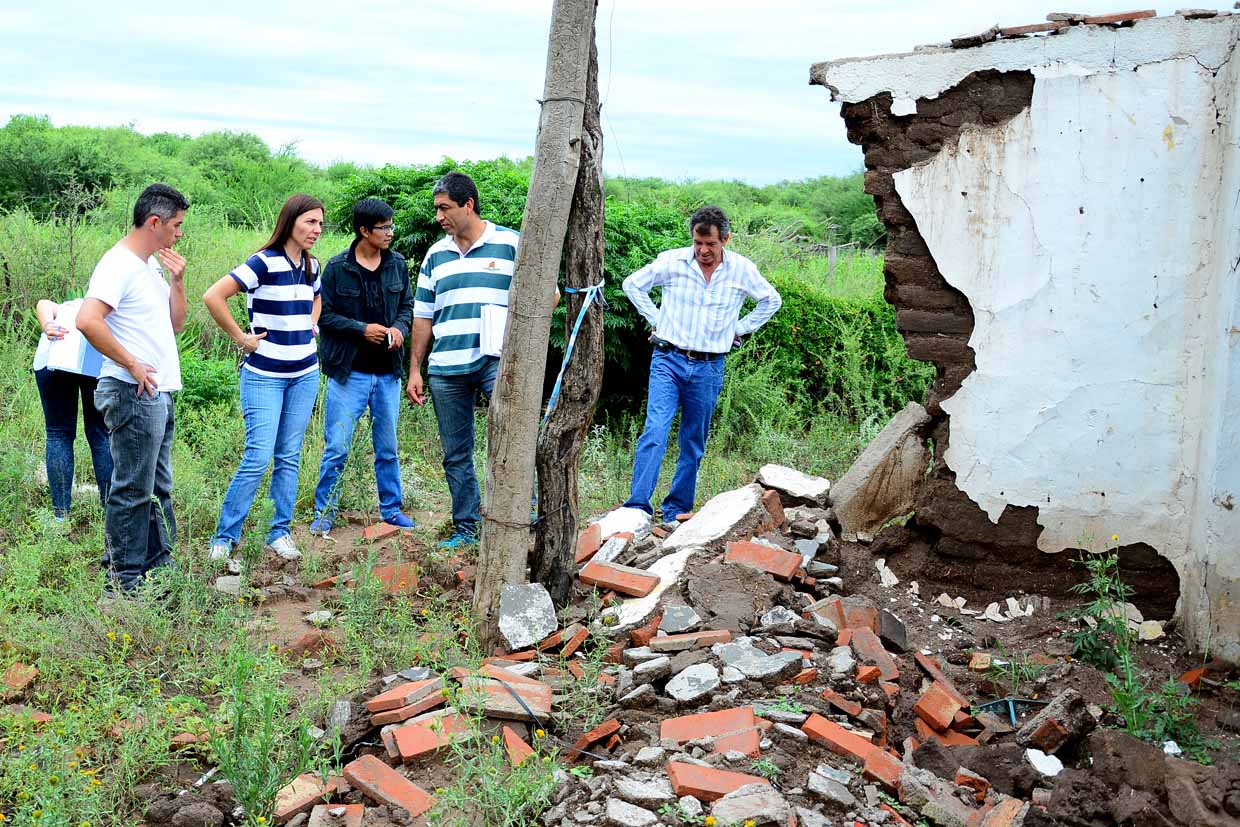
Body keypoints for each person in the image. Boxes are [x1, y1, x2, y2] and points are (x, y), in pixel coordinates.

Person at [621, 205, 782, 521]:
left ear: (725, 239)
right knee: (655, 430)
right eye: (698, 243)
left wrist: (740, 327)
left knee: (693, 440)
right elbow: (632, 285)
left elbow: (771, 300)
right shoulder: (672, 262)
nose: (703, 251)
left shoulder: (741, 270)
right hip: (668, 359)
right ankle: (637, 507)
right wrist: (657, 318)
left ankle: (676, 510)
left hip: (709, 366)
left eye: (710, 244)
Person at [76, 183, 189, 593]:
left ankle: (158, 570)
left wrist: (177, 281)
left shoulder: (150, 266)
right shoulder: (118, 264)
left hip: (157, 393)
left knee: (158, 488)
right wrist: (132, 363)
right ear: (154, 222)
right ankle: (122, 580)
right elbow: (88, 320)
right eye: (175, 226)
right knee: (133, 488)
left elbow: (175, 325)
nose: (178, 234)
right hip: (130, 390)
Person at [202, 194, 324, 563]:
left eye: (320, 223)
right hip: (265, 375)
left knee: (289, 456)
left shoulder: (311, 266)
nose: (316, 230)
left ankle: (279, 532)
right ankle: (225, 537)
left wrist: (311, 325)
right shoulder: (263, 262)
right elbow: (213, 296)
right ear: (290, 222)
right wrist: (242, 338)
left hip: (304, 373)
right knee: (258, 456)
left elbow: (317, 299)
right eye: (309, 222)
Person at [406, 171, 520, 550]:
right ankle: (467, 526)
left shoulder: (509, 243)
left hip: (496, 361)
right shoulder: (436, 254)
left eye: (445, 208)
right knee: (455, 453)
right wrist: (415, 370)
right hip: (447, 367)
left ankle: (519, 517)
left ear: (468, 204)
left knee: (511, 441)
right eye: (437, 209)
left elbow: (546, 297)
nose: (439, 216)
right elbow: (423, 316)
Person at [310, 198, 416, 534]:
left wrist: (399, 329)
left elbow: (407, 306)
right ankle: (325, 512)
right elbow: (324, 316)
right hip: (349, 372)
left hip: (387, 373)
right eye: (383, 228)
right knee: (337, 447)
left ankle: (391, 508)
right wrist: (361, 330)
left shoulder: (397, 264)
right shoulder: (338, 267)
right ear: (364, 230)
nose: (390, 233)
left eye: (391, 226)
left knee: (387, 447)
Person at [32, 296, 113, 521]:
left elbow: (43, 303)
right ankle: (111, 513)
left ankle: (61, 516)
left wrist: (48, 324)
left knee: (58, 434)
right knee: (100, 433)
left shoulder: (71, 305)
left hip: (53, 357)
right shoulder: (107, 308)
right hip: (94, 360)